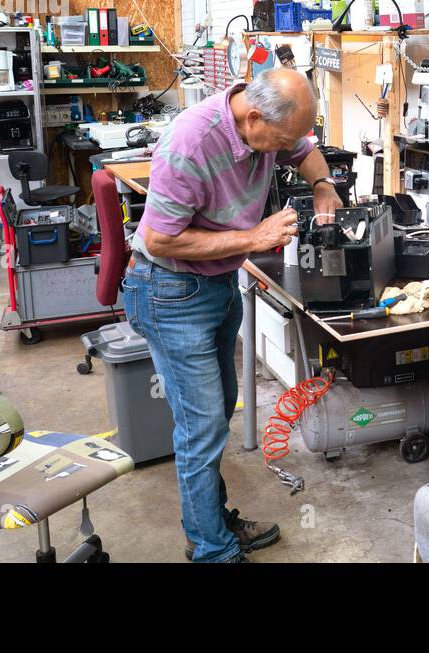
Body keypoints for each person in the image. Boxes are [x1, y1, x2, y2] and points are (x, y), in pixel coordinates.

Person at [123, 69, 341, 562]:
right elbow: (159, 238)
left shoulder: (269, 124)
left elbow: (304, 148)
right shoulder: (192, 142)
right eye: (278, 141)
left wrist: (323, 184)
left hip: (213, 282)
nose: (281, 150)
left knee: (216, 415)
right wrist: (254, 238)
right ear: (255, 117)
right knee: (201, 430)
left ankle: (211, 523)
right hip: (169, 290)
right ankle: (212, 551)